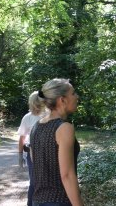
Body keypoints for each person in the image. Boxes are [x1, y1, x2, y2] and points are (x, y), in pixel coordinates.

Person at [30, 78, 83, 206]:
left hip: (37, 200)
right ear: (62, 100)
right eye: (73, 93)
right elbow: (67, 175)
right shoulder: (64, 128)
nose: (77, 96)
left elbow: (34, 161)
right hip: (59, 200)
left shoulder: (36, 126)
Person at [18, 91, 47, 206]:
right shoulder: (28, 118)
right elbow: (22, 138)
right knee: (34, 182)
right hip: (32, 153)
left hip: (48, 152)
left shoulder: (49, 115)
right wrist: (20, 155)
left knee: (47, 181)